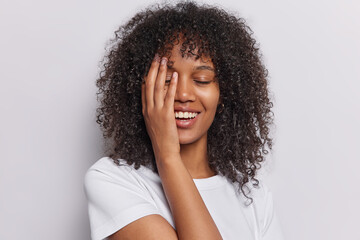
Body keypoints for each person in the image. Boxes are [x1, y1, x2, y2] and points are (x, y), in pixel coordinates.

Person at [84, 1, 284, 240]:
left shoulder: (253, 197)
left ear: (224, 93)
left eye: (201, 80)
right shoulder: (113, 180)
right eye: (167, 79)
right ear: (142, 89)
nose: (183, 95)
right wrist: (168, 156)